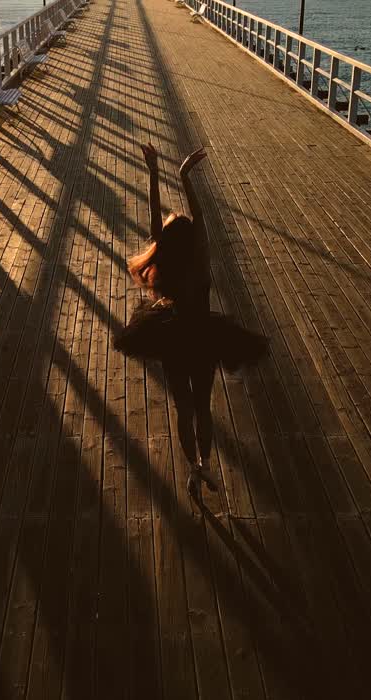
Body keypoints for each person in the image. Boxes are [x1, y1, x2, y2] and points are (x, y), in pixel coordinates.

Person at [114, 142, 268, 499]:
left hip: (171, 337)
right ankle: (205, 463)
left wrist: (153, 172)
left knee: (183, 408)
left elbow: (156, 220)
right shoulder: (200, 264)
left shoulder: (166, 263)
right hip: (202, 338)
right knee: (202, 408)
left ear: (167, 244)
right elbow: (201, 220)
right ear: (193, 243)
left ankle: (195, 468)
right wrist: (185, 177)